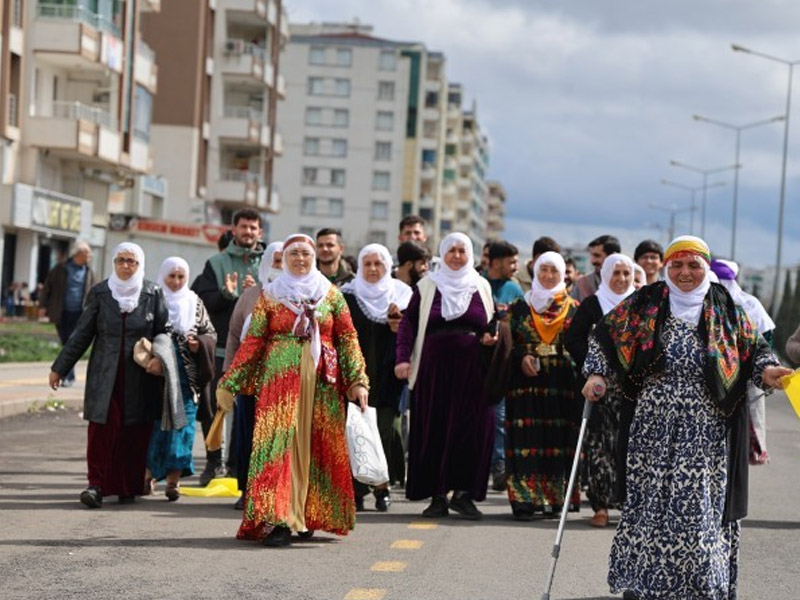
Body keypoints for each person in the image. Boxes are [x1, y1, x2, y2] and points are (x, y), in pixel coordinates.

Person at [582, 235, 790, 600]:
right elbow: (604, 337)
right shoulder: (646, 302)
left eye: (694, 265)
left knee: (697, 510)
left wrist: (768, 371)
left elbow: (755, 350)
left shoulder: (725, 308)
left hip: (706, 430)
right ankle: (645, 584)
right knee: (650, 505)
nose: (685, 272)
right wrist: (597, 375)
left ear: (706, 268)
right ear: (666, 267)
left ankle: (699, 586)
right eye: (677, 264)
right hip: (651, 427)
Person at [216, 233, 369, 547]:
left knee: (314, 447)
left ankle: (306, 513)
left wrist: (357, 381)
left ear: (314, 258)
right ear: (283, 259)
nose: (300, 259)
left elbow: (348, 339)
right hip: (279, 385)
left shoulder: (331, 295)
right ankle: (279, 518)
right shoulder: (270, 296)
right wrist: (230, 382)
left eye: (305, 254)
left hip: (321, 385)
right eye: (293, 254)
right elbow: (254, 342)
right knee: (278, 448)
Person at [49, 243, 170, 508]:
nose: (126, 266)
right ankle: (96, 485)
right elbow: (81, 334)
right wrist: (60, 367)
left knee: (135, 431)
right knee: (102, 430)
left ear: (140, 265)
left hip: (140, 377)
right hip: (105, 376)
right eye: (121, 260)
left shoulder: (152, 293)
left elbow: (164, 331)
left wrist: (160, 359)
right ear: (114, 263)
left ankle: (127, 486)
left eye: (132, 261)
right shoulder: (101, 293)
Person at [395, 232, 497, 520]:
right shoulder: (427, 286)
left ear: (470, 254)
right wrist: (403, 359)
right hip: (433, 371)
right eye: (450, 250)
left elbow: (490, 324)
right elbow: (408, 324)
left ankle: (464, 494)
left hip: (473, 371)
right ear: (442, 253)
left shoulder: (482, 286)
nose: (456, 256)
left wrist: (491, 337)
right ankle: (437, 495)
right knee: (435, 428)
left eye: (461, 250)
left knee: (472, 430)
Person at [503, 251, 581, 520]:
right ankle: (525, 499)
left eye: (554, 271)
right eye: (543, 270)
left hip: (562, 385)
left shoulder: (574, 309)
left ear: (563, 275)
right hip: (526, 385)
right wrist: (520, 357)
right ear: (535, 272)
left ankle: (557, 498)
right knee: (526, 439)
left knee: (558, 441)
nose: (548, 276)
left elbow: (583, 346)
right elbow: (507, 345)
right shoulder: (518, 307)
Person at [191, 208, 265, 485]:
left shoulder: (270, 261)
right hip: (222, 349)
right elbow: (202, 301)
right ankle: (213, 462)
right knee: (214, 408)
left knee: (248, 412)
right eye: (243, 226)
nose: (248, 232)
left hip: (258, 357)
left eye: (253, 227)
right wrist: (226, 295)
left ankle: (239, 467)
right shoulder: (216, 263)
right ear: (233, 230)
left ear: (260, 232)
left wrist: (255, 290)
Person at [565, 253, 636, 527]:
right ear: (605, 275)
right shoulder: (593, 304)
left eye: (626, 274)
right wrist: (596, 368)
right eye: (615, 273)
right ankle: (600, 505)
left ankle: (628, 505)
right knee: (598, 447)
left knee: (630, 446)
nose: (621, 279)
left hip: (632, 389)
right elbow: (573, 339)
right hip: (599, 388)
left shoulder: (640, 304)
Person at [341, 244, 412, 511]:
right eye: (367, 264)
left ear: (387, 266)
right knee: (355, 432)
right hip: (356, 375)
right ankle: (357, 489)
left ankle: (382, 486)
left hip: (388, 376)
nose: (372, 269)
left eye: (378, 264)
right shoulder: (346, 296)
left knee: (384, 432)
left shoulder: (403, 295)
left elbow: (413, 335)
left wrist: (399, 325)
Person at [146, 258, 216, 501]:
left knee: (183, 429)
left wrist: (199, 345)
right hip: (156, 378)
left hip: (187, 380)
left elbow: (210, 333)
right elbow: (141, 332)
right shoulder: (152, 299)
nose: (175, 282)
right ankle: (148, 476)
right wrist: (152, 357)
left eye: (180, 277)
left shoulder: (195, 302)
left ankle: (173, 482)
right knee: (156, 428)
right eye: (171, 277)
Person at [225, 241, 283, 510]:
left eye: (285, 260)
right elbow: (235, 336)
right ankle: (248, 490)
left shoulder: (298, 294)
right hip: (251, 379)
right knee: (249, 434)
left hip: (284, 379)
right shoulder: (250, 295)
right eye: (276, 260)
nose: (280, 266)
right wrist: (230, 375)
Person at [711, 258, 776, 465]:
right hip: (711, 384)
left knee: (740, 442)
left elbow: (766, 342)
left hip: (746, 381)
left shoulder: (749, 305)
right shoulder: (700, 306)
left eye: (725, 280)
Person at [483, 240, 525, 492]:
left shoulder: (514, 289)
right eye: (511, 262)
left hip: (503, 364)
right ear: (495, 262)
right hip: (478, 362)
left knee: (499, 417)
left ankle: (499, 465)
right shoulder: (477, 284)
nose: (515, 266)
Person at [40, 240, 96, 387]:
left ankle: (67, 376)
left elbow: (95, 292)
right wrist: (43, 306)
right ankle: (67, 375)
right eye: (87, 252)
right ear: (78, 253)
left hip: (80, 313)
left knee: (72, 343)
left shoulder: (89, 271)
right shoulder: (61, 268)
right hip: (61, 312)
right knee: (66, 342)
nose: (90, 255)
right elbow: (47, 287)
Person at [571, 235, 621, 301]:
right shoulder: (583, 284)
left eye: (597, 256)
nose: (593, 261)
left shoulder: (626, 283)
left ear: (612, 257)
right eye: (591, 255)